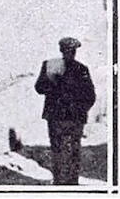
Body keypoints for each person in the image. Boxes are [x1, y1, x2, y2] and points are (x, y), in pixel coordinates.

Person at [35, 36, 96, 185]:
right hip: (61, 117)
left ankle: (68, 182)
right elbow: (39, 88)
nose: (70, 53)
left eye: (71, 51)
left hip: (66, 117)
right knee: (62, 150)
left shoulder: (79, 69)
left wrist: (80, 111)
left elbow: (90, 96)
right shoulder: (51, 66)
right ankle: (63, 182)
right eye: (68, 51)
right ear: (62, 51)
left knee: (67, 150)